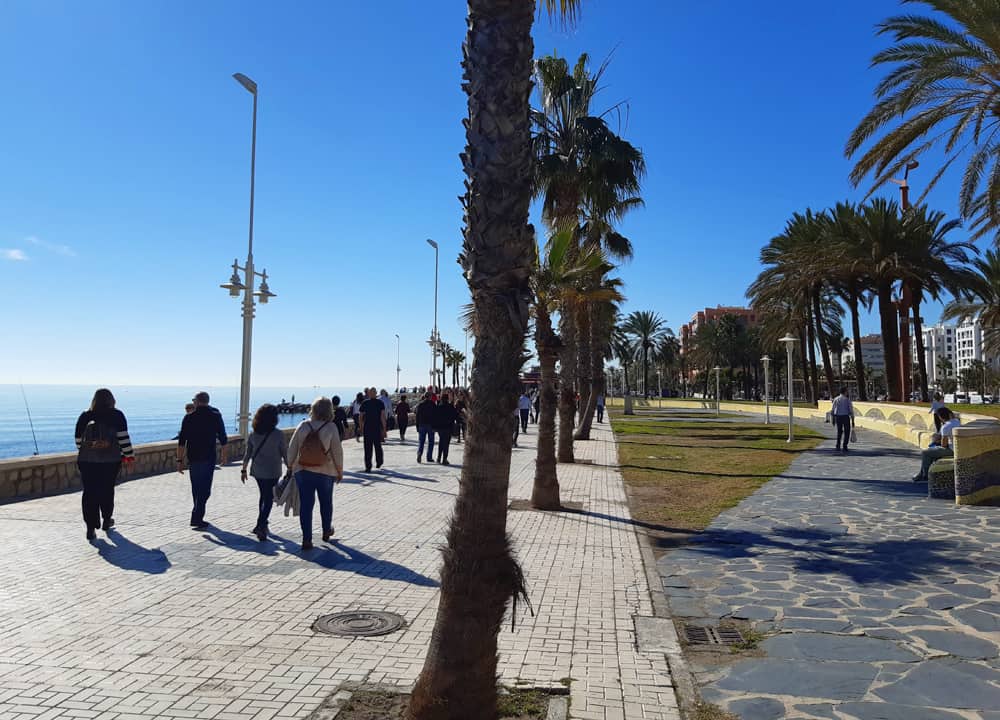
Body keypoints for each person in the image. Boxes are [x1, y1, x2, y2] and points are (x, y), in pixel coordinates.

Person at [75, 388, 135, 540]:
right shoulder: (117, 415)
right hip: (110, 461)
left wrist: (91, 449)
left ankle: (90, 527)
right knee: (107, 490)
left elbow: (77, 440)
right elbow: (123, 439)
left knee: (89, 492)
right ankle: (107, 519)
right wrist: (128, 456)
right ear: (111, 400)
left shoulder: (85, 416)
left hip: (87, 461)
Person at [285, 397, 343, 550]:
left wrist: (290, 465)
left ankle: (307, 539)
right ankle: (326, 530)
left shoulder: (303, 426)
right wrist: (339, 470)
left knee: (306, 504)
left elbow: (292, 448)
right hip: (326, 471)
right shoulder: (331, 427)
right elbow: (337, 451)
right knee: (326, 502)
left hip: (303, 470)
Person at [177, 391, 228, 530]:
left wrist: (179, 460)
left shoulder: (188, 418)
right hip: (208, 457)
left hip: (193, 457)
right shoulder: (215, 416)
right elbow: (223, 437)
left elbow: (182, 442)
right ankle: (197, 516)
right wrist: (224, 455)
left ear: (198, 402)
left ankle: (197, 514)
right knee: (205, 489)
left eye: (194, 400)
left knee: (197, 487)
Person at [241, 404, 288, 542]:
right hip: (273, 471)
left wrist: (243, 470)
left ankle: (261, 524)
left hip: (258, 471)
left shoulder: (253, 434)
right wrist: (290, 467)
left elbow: (247, 454)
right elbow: (284, 453)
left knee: (264, 495)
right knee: (268, 498)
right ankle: (261, 525)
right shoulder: (278, 434)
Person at [913, 407, 960, 482]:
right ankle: (921, 474)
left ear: (941, 417)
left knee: (925, 453)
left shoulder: (946, 426)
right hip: (958, 447)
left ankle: (925, 475)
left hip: (952, 449)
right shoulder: (957, 421)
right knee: (931, 451)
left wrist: (937, 442)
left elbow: (944, 445)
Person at [360, 387, 387, 471]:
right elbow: (383, 417)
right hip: (375, 428)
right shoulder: (380, 403)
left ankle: (369, 466)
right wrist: (384, 429)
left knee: (368, 448)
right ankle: (378, 462)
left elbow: (360, 417)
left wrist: (361, 427)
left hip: (369, 428)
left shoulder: (365, 403)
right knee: (377, 446)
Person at [434, 393, 458, 464]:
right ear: (447, 399)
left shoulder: (439, 407)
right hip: (448, 427)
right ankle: (444, 459)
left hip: (440, 428)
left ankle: (438, 457)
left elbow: (435, 417)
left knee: (441, 442)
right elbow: (455, 416)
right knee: (446, 443)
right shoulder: (450, 407)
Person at [831, 386, 855, 452]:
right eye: (847, 391)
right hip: (845, 417)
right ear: (845, 392)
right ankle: (845, 446)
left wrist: (833, 419)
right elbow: (851, 410)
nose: (848, 392)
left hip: (838, 417)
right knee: (847, 432)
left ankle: (838, 445)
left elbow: (832, 410)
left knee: (839, 431)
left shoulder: (836, 399)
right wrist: (853, 420)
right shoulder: (847, 400)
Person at [415, 392, 436, 463]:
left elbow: (417, 416)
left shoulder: (420, 405)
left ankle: (419, 453)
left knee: (421, 442)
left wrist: (417, 426)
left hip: (422, 425)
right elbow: (435, 415)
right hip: (431, 425)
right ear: (430, 397)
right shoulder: (433, 404)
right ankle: (429, 457)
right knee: (431, 442)